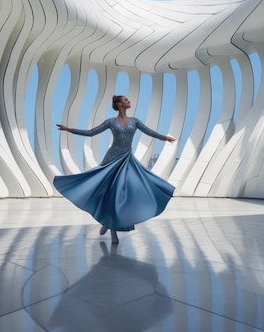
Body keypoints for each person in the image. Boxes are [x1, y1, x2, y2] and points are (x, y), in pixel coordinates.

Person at [54, 95, 176, 244]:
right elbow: (91, 132)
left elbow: (150, 132)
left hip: (126, 160)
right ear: (118, 104)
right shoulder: (111, 122)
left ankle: (107, 222)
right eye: (125, 100)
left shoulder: (135, 121)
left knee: (123, 195)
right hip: (111, 159)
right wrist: (68, 129)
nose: (129, 101)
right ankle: (112, 230)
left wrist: (165, 138)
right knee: (111, 194)